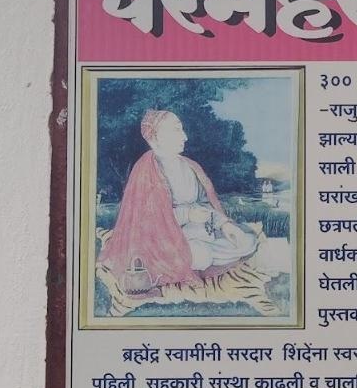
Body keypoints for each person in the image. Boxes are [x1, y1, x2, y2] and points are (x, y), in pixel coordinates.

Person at [98, 109, 275, 315]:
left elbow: (203, 203)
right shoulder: (145, 172)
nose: (185, 136)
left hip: (197, 232)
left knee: (244, 239)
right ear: (155, 139)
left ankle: (208, 249)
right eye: (176, 130)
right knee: (202, 254)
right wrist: (187, 216)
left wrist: (223, 224)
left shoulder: (190, 166)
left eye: (182, 129)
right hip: (159, 242)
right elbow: (145, 221)